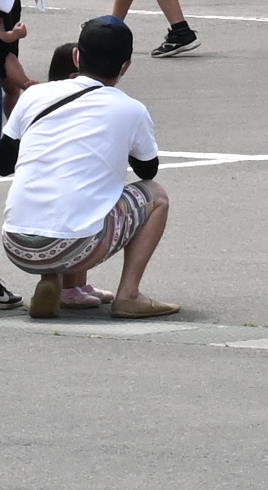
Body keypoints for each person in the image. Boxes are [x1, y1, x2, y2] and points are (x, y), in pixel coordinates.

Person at [2, 16, 176, 319]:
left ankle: (66, 287)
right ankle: (129, 295)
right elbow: (147, 171)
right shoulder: (130, 109)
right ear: (126, 67)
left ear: (77, 56)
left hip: (18, 245)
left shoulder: (33, 95)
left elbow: (3, 164)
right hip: (77, 244)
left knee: (72, 185)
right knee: (155, 196)